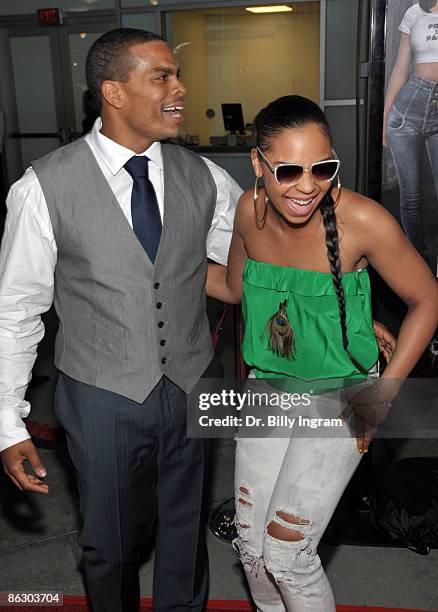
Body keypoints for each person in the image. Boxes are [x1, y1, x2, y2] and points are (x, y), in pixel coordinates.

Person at [0, 28, 243, 611]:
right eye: (162, 76)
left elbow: (261, 254)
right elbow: (15, 314)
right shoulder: (42, 187)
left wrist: (344, 306)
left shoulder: (205, 177)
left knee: (184, 538)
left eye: (177, 75)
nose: (180, 88)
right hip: (101, 393)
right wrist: (9, 424)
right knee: (109, 543)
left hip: (191, 384)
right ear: (112, 91)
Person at [207, 95, 438, 611]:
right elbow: (233, 287)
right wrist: (150, 265)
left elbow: (428, 301)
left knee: (288, 555)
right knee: (250, 547)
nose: (306, 186)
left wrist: (384, 392)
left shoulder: (362, 219)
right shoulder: (249, 210)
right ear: (258, 164)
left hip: (342, 395)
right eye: (287, 170)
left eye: (322, 168)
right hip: (270, 387)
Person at [383, 0, 438, 270]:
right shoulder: (414, 13)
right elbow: (399, 69)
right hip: (408, 109)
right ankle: (419, 264)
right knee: (411, 197)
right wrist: (384, 121)